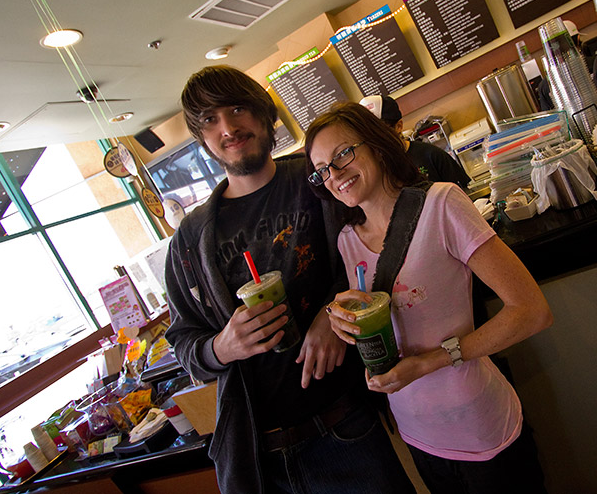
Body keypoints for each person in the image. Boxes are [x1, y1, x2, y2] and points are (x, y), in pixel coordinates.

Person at [164, 66, 416, 494]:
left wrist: (336, 310)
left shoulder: (318, 180)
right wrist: (221, 347)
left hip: (344, 428)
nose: (228, 127)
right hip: (260, 462)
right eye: (210, 120)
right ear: (202, 139)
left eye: (238, 108)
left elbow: (391, 243)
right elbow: (186, 345)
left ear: (265, 115)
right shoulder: (191, 239)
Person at [304, 102, 554, 494]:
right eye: (322, 169)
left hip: (481, 428)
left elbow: (532, 311)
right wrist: (344, 324)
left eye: (342, 154)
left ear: (376, 143)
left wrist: (431, 362)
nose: (334, 174)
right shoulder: (347, 241)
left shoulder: (442, 204)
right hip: (417, 435)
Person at [359, 94, 471, 190]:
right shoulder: (372, 173)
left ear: (398, 126)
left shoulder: (431, 155)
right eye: (366, 133)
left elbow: (466, 193)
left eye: (379, 131)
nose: (373, 138)